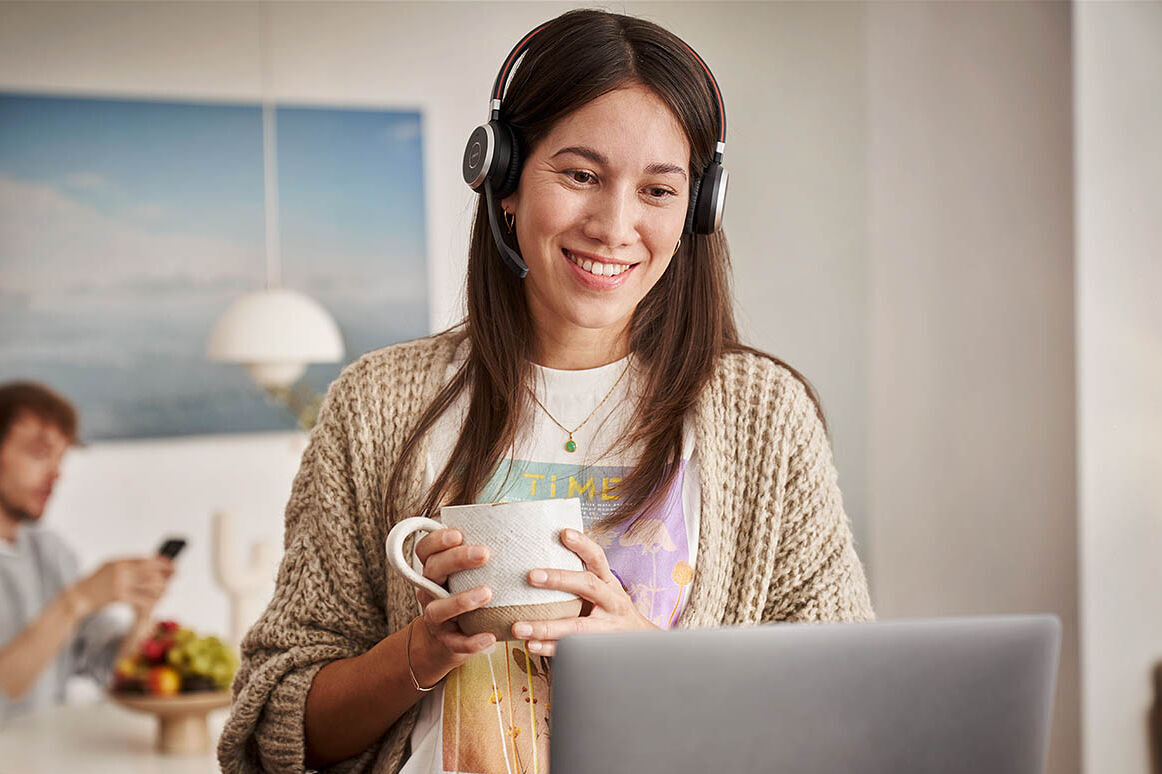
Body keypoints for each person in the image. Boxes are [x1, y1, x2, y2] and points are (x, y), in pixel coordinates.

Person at [218, 9, 873, 774]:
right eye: (581, 175)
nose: (614, 224)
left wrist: (648, 667)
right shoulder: (375, 404)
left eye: (658, 191)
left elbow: (843, 708)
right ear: (504, 183)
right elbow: (273, 732)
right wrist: (418, 652)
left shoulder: (765, 416)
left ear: (696, 210)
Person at [0, 382, 175, 723]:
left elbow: (112, 669)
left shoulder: (50, 551)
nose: (55, 474)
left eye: (60, 458)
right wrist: (77, 600)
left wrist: (142, 614)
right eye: (39, 454)